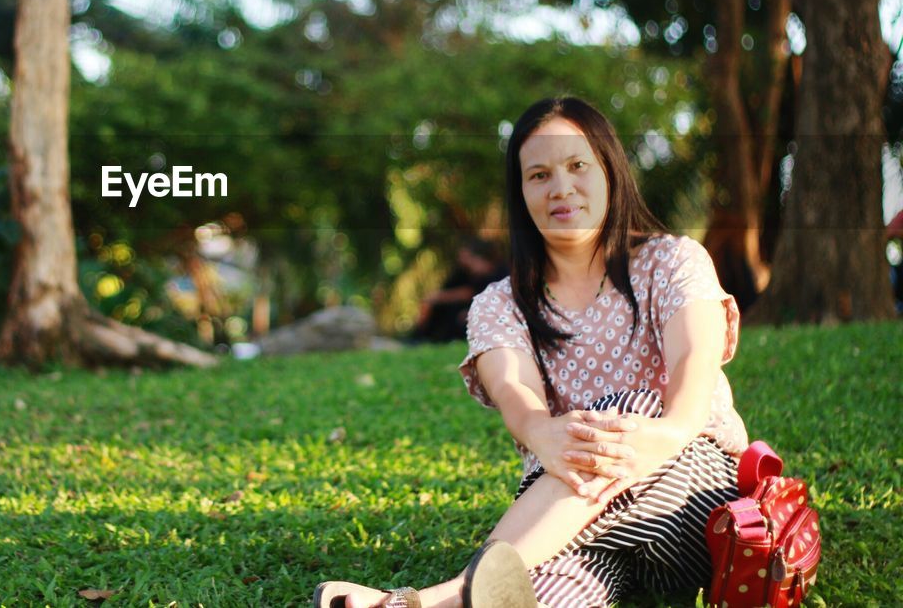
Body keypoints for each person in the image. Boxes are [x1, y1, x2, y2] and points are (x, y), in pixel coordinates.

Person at [313, 97, 746, 608]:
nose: (560, 187)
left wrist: (662, 432)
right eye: (539, 175)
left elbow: (693, 362)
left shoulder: (671, 261)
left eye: (577, 165)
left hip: (694, 499)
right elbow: (514, 391)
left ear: (610, 170)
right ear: (521, 193)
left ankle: (435, 599)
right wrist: (543, 433)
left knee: (620, 415)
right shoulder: (500, 304)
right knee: (527, 591)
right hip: (575, 521)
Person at [405, 239, 509, 344]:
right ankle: (419, 337)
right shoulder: (463, 272)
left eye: (466, 257)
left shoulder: (501, 273)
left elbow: (468, 293)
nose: (461, 260)